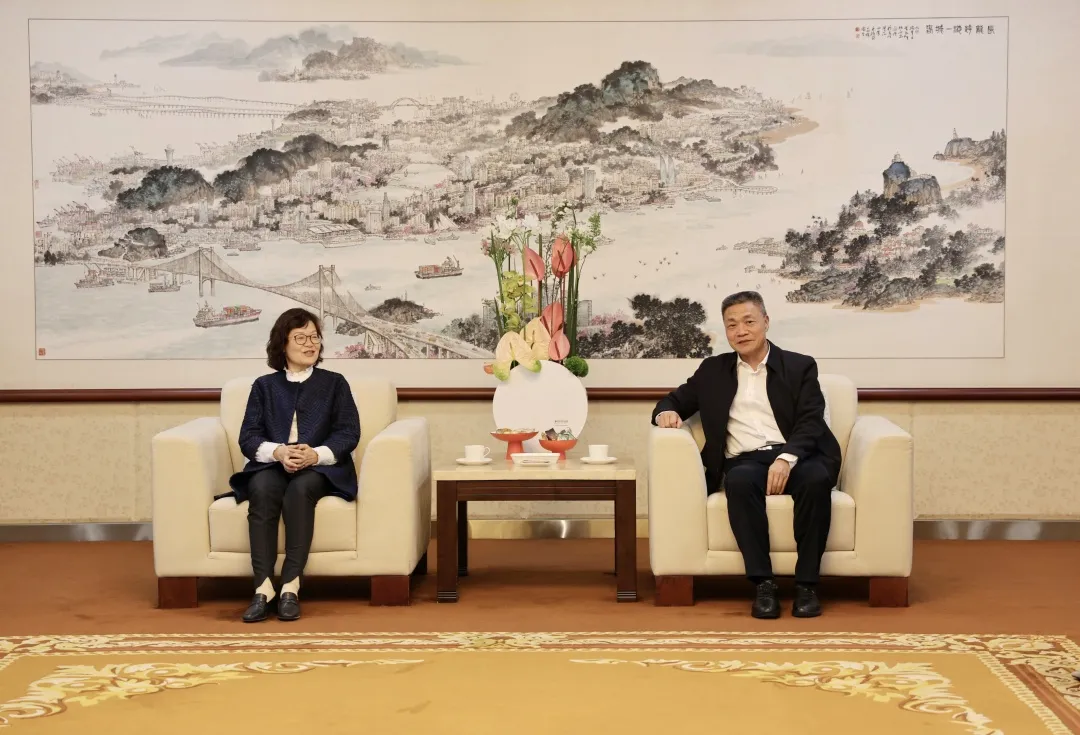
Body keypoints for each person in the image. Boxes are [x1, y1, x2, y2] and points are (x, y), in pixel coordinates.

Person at [651, 291, 841, 619]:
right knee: (738, 482)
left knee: (815, 480)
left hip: (799, 456)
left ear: (766, 322)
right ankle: (763, 584)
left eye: (749, 321)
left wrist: (786, 459)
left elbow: (811, 420)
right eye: (732, 324)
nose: (741, 331)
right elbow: (673, 401)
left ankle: (807, 585)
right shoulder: (713, 370)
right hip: (746, 460)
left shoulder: (800, 366)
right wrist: (665, 413)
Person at [227, 307, 361, 623]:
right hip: (273, 465)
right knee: (261, 488)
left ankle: (290, 585)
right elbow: (248, 436)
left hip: (320, 468)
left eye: (314, 337)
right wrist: (278, 453)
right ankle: (263, 587)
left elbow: (348, 432)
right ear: (282, 344)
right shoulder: (264, 386)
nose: (310, 344)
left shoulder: (335, 383)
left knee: (300, 490)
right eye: (300, 338)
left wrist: (316, 454)